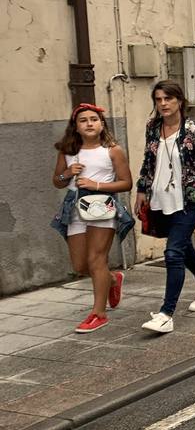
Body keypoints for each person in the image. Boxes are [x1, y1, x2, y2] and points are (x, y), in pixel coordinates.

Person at [134, 81, 195, 335]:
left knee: (173, 253)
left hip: (188, 199)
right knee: (183, 248)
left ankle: (166, 314)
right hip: (160, 198)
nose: (163, 104)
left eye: (168, 99)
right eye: (159, 99)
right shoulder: (153, 128)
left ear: (179, 101)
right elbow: (148, 160)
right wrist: (141, 190)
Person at [50, 103, 134, 333]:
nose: (89, 123)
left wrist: (96, 184)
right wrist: (67, 173)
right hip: (74, 209)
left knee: (96, 259)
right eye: (83, 120)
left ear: (101, 124)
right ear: (75, 127)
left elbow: (126, 182)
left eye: (94, 119)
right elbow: (57, 181)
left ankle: (99, 313)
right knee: (80, 265)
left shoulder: (112, 150)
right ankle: (113, 280)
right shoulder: (67, 151)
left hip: (101, 207)